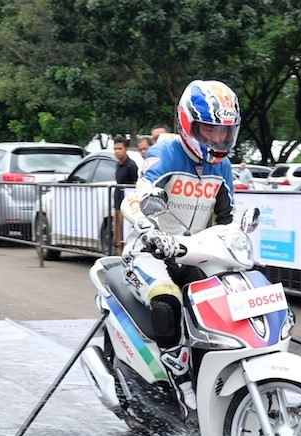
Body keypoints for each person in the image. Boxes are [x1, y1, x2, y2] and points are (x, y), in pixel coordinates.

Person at [120, 80, 240, 416]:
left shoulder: (223, 167)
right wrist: (147, 226)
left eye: (224, 131)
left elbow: (228, 218)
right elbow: (138, 197)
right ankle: (181, 381)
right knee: (167, 301)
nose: (218, 138)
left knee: (227, 302)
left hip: (193, 252)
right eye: (209, 129)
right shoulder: (165, 152)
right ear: (188, 123)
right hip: (150, 250)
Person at [112, 135, 138, 250]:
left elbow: (136, 184)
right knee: (118, 230)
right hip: (118, 202)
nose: (117, 152)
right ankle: (118, 251)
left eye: (120, 149)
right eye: (115, 149)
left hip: (127, 204)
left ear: (126, 149)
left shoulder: (131, 166)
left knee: (126, 230)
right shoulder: (118, 164)